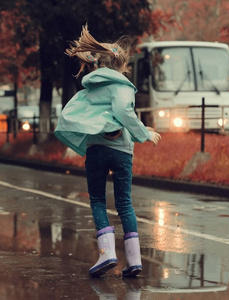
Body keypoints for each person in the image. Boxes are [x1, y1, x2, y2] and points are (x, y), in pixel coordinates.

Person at [54, 25, 161, 278]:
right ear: (122, 66)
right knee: (125, 203)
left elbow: (75, 115)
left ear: (96, 64)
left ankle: (107, 253)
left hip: (96, 150)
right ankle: (134, 261)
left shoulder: (89, 89)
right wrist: (144, 133)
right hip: (122, 151)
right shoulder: (123, 87)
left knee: (98, 201)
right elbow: (124, 112)